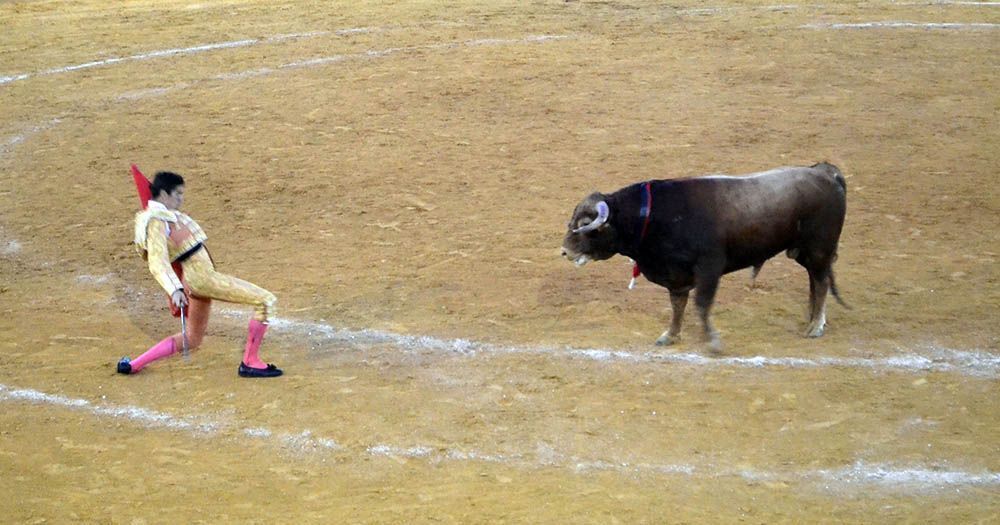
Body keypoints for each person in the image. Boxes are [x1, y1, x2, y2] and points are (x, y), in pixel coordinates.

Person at [117, 171, 282, 378]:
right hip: (201, 278)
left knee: (192, 338)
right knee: (265, 301)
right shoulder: (156, 222)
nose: (181, 198)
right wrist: (175, 289)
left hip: (195, 277)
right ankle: (250, 362)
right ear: (164, 194)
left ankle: (133, 365)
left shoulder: (162, 216)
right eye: (177, 194)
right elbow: (157, 262)